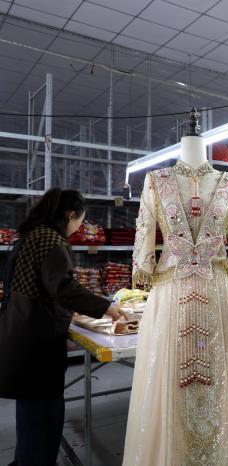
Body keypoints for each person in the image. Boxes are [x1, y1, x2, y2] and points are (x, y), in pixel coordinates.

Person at [0, 188, 121, 466]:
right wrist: (107, 307)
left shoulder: (33, 234)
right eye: (80, 221)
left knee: (30, 406)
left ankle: (25, 460)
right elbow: (64, 289)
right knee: (43, 410)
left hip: (21, 331)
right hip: (36, 338)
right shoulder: (52, 240)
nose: (79, 228)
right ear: (70, 214)